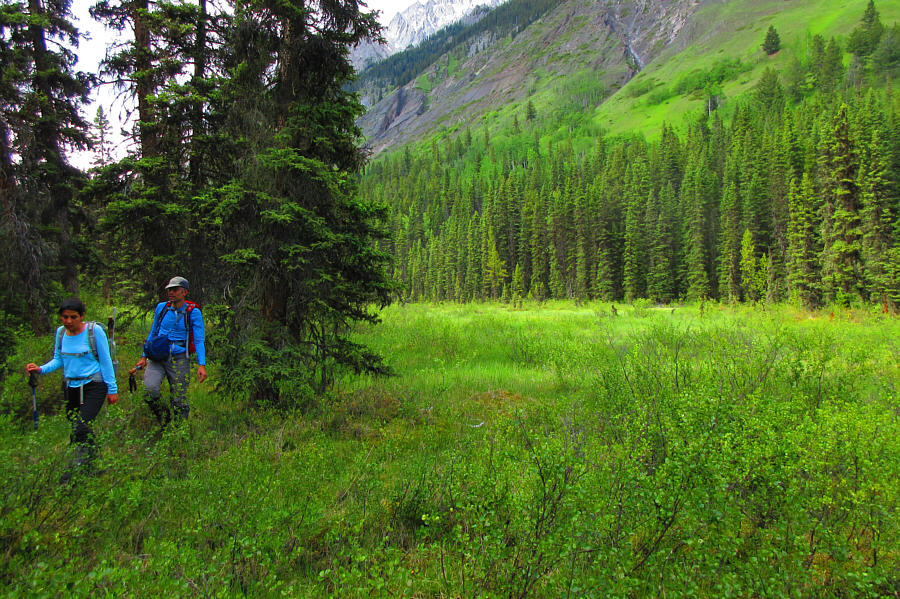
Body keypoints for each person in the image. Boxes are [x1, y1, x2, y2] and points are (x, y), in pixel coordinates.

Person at [25, 298, 118, 475]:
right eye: (64, 317)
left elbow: (106, 361)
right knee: (78, 427)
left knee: (80, 427)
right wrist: (40, 369)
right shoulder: (61, 333)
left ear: (81, 316)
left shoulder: (94, 331)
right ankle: (92, 464)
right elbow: (58, 359)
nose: (68, 321)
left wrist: (112, 389)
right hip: (71, 386)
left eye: (73, 317)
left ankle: (75, 470)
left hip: (94, 384)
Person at [133, 276, 206, 424]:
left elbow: (199, 339)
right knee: (149, 390)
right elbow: (153, 332)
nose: (171, 292)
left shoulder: (193, 312)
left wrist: (201, 364)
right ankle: (164, 418)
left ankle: (180, 430)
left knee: (179, 397)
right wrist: (143, 356)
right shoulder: (162, 308)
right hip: (157, 356)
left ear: (184, 292)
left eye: (175, 289)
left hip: (179, 358)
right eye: (169, 289)